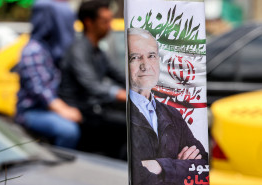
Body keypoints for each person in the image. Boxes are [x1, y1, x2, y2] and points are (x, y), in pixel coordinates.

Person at [128, 28, 209, 185]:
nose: (145, 65)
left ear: (158, 59)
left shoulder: (171, 113)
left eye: (151, 56)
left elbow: (203, 165)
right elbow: (137, 176)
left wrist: (160, 166)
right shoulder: (122, 111)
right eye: (135, 58)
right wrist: (180, 167)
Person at [58, 0, 126, 158]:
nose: (109, 25)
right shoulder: (78, 50)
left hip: (95, 109)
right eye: (105, 21)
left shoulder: (98, 51)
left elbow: (118, 74)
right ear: (89, 22)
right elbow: (92, 85)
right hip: (81, 111)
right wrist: (122, 94)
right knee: (126, 127)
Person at [14, 1, 81, 149]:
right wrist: (65, 110)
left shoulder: (52, 50)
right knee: (68, 131)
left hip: (49, 108)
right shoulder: (33, 51)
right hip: (32, 111)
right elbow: (42, 92)